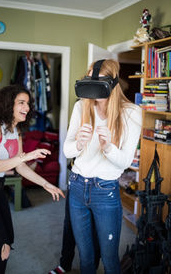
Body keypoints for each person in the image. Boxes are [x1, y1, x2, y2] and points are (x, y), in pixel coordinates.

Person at [0, 85, 65, 274]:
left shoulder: (15, 129)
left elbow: (20, 167)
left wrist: (46, 184)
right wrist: (26, 156)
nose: (27, 107)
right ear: (8, 104)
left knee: (8, 240)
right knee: (1, 246)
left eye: (28, 103)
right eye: (21, 103)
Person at [63, 59, 142, 274]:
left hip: (105, 191)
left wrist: (108, 147)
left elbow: (125, 162)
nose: (92, 85)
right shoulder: (81, 106)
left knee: (109, 259)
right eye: (89, 79)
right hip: (77, 187)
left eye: (98, 81)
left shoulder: (131, 113)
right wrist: (79, 143)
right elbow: (67, 151)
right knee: (86, 257)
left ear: (112, 82)